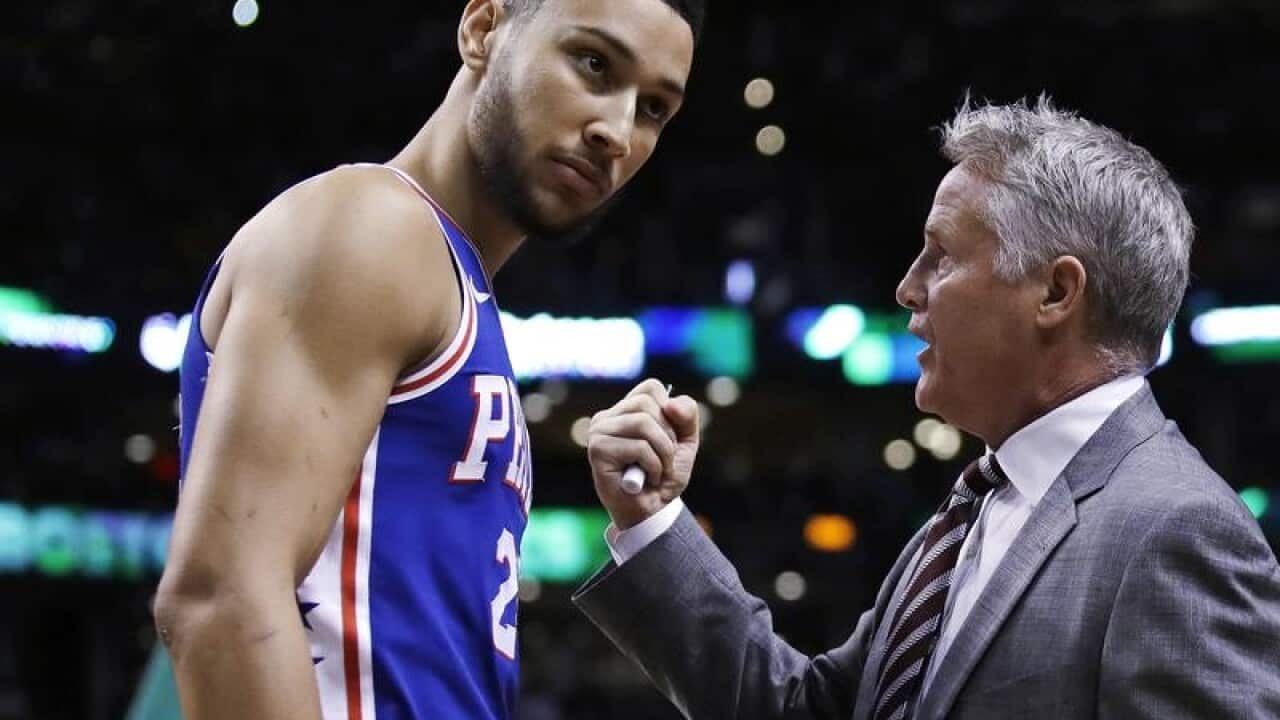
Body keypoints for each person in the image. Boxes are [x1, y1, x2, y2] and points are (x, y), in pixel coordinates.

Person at [575, 98, 1280, 719]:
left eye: (940, 257)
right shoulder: (971, 510)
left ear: (1056, 293)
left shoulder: (1177, 530)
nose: (909, 288)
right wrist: (653, 522)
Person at [152, 0, 703, 717]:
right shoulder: (372, 226)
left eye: (655, 108)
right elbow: (221, 599)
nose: (617, 131)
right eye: (594, 64)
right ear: (482, 30)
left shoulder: (456, 289)